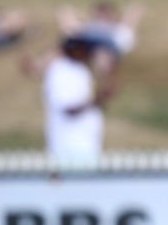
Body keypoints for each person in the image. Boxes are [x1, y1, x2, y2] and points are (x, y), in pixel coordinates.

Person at [42, 36, 117, 166]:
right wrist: (96, 101)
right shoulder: (60, 71)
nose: (88, 52)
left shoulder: (81, 71)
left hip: (86, 144)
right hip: (69, 147)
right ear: (75, 50)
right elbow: (68, 109)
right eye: (84, 49)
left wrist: (100, 99)